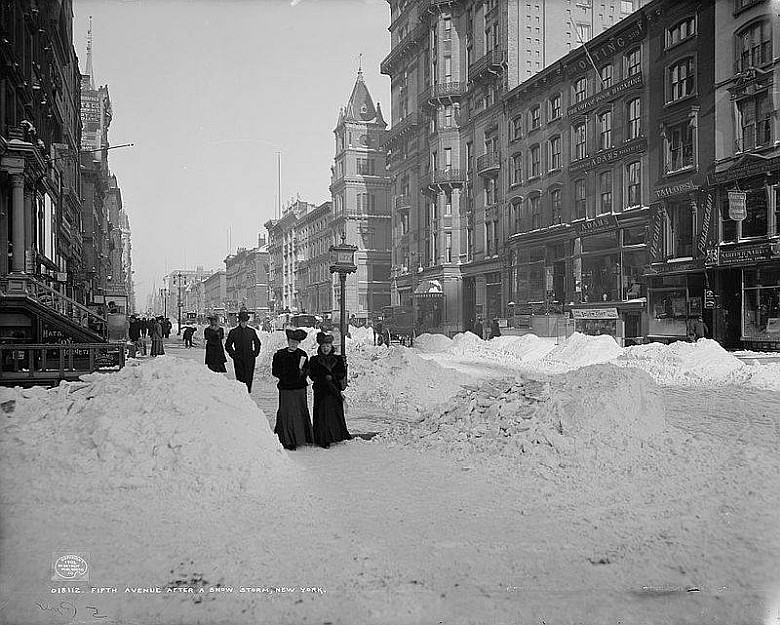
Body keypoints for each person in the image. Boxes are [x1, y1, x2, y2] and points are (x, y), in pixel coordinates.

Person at [272, 328, 313, 451]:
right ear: (288, 341)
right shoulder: (279, 354)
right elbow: (275, 371)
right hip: (286, 388)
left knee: (299, 412)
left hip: (299, 389)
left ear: (299, 342)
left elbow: (308, 370)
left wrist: (302, 372)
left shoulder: (303, 354)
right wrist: (287, 374)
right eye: (291, 341)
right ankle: (287, 440)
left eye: (296, 342)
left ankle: (301, 438)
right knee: (287, 413)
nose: (293, 343)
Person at [309, 333, 352, 449]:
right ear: (320, 347)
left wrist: (332, 377)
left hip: (333, 390)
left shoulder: (337, 359)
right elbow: (312, 375)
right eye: (323, 346)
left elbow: (341, 373)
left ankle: (337, 435)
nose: (325, 348)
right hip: (321, 391)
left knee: (334, 414)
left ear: (331, 346)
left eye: (327, 345)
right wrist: (323, 377)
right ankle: (323, 438)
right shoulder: (314, 360)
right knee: (322, 415)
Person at [225, 311, 262, 392]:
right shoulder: (234, 332)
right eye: (243, 321)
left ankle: (248, 391)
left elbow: (257, 343)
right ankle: (241, 393)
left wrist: (255, 353)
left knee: (249, 377)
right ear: (240, 321)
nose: (244, 323)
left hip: (250, 358)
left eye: (246, 321)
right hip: (238, 358)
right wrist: (233, 355)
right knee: (240, 377)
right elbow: (228, 345)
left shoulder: (251, 331)